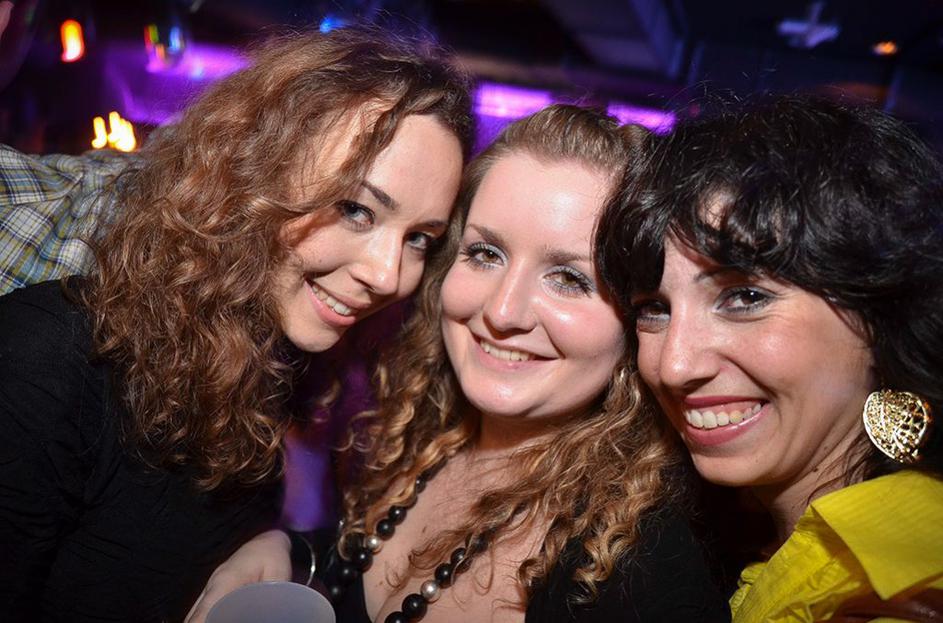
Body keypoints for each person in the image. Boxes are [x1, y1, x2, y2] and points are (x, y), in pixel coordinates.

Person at [187, 104, 730, 623]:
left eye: (569, 278)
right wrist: (289, 552)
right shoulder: (424, 441)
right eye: (485, 254)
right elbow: (352, 568)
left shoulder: (643, 576)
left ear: (638, 318)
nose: (501, 311)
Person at [0, 26, 471, 622]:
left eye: (420, 239)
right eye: (355, 209)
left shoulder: (274, 361)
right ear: (252, 175)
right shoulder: (49, 357)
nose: (388, 274)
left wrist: (276, 543)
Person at [597, 94, 943, 622]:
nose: (674, 366)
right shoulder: (740, 547)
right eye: (654, 309)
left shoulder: (899, 589)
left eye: (745, 297)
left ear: (880, 311)